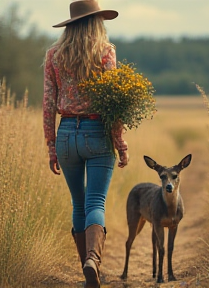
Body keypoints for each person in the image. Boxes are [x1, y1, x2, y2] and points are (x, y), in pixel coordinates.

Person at [42, 1, 128, 287]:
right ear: (96, 22)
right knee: (95, 202)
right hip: (96, 132)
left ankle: (87, 271)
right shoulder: (105, 52)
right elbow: (113, 103)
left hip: (66, 132)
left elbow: (47, 105)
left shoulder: (54, 55)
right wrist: (120, 142)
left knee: (78, 203)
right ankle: (93, 260)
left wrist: (52, 146)